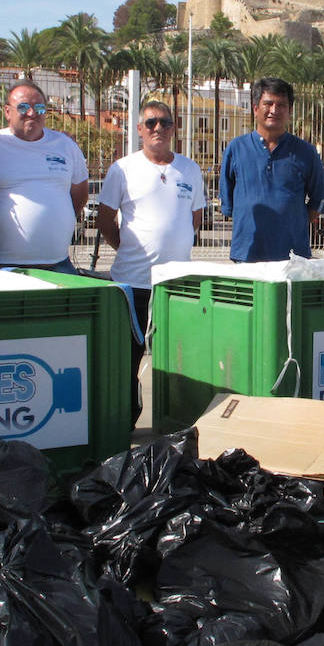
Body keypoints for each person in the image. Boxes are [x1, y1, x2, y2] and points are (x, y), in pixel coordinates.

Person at [98, 101, 205, 426]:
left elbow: (195, 219)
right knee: (128, 358)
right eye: (151, 123)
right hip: (133, 284)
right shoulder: (122, 169)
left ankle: (176, 422)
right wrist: (130, 248)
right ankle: (127, 423)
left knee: (178, 359)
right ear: (140, 129)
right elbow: (104, 220)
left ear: (174, 129)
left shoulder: (190, 169)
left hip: (175, 285)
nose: (158, 128)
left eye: (165, 123)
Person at [0, 80, 89, 271]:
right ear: (7, 112)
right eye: (23, 106)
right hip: (3, 264)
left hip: (59, 263)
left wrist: (60, 219)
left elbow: (79, 195)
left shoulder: (65, 145)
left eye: (40, 107)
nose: (32, 113)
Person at [220, 76, 324, 262]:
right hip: (246, 254)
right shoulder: (236, 149)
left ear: (290, 111)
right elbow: (228, 202)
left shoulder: (305, 152)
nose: (274, 110)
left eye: (281, 105)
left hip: (292, 258)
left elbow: (321, 199)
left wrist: (293, 221)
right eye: (268, 104)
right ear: (255, 108)